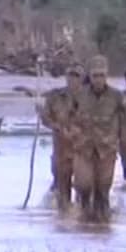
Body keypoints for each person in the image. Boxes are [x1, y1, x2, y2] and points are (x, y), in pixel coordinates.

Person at [71, 55, 126, 223]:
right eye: (95, 75)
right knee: (83, 185)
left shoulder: (116, 96)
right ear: (89, 76)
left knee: (103, 189)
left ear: (107, 76)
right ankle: (83, 218)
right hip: (84, 148)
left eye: (102, 75)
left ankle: (102, 222)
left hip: (106, 149)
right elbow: (66, 115)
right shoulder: (79, 95)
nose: (98, 79)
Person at [39, 62, 84, 211]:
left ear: (82, 78)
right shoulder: (55, 96)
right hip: (61, 150)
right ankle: (63, 218)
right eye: (70, 75)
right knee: (62, 189)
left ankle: (81, 219)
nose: (72, 79)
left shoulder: (90, 98)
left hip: (82, 151)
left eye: (76, 76)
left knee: (82, 189)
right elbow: (46, 118)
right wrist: (53, 124)